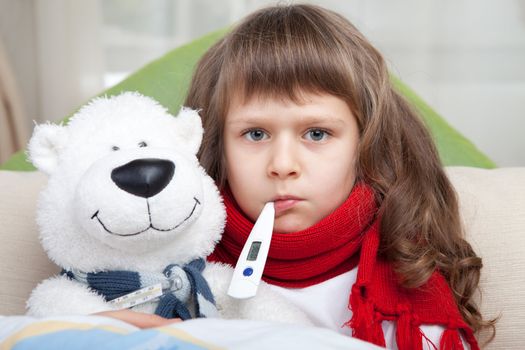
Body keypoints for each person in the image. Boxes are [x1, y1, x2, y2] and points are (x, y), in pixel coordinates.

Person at [100, 4, 495, 349]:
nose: (283, 164)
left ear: (366, 145)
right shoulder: (175, 273)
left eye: (317, 133)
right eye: (255, 134)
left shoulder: (410, 285)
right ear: (217, 146)